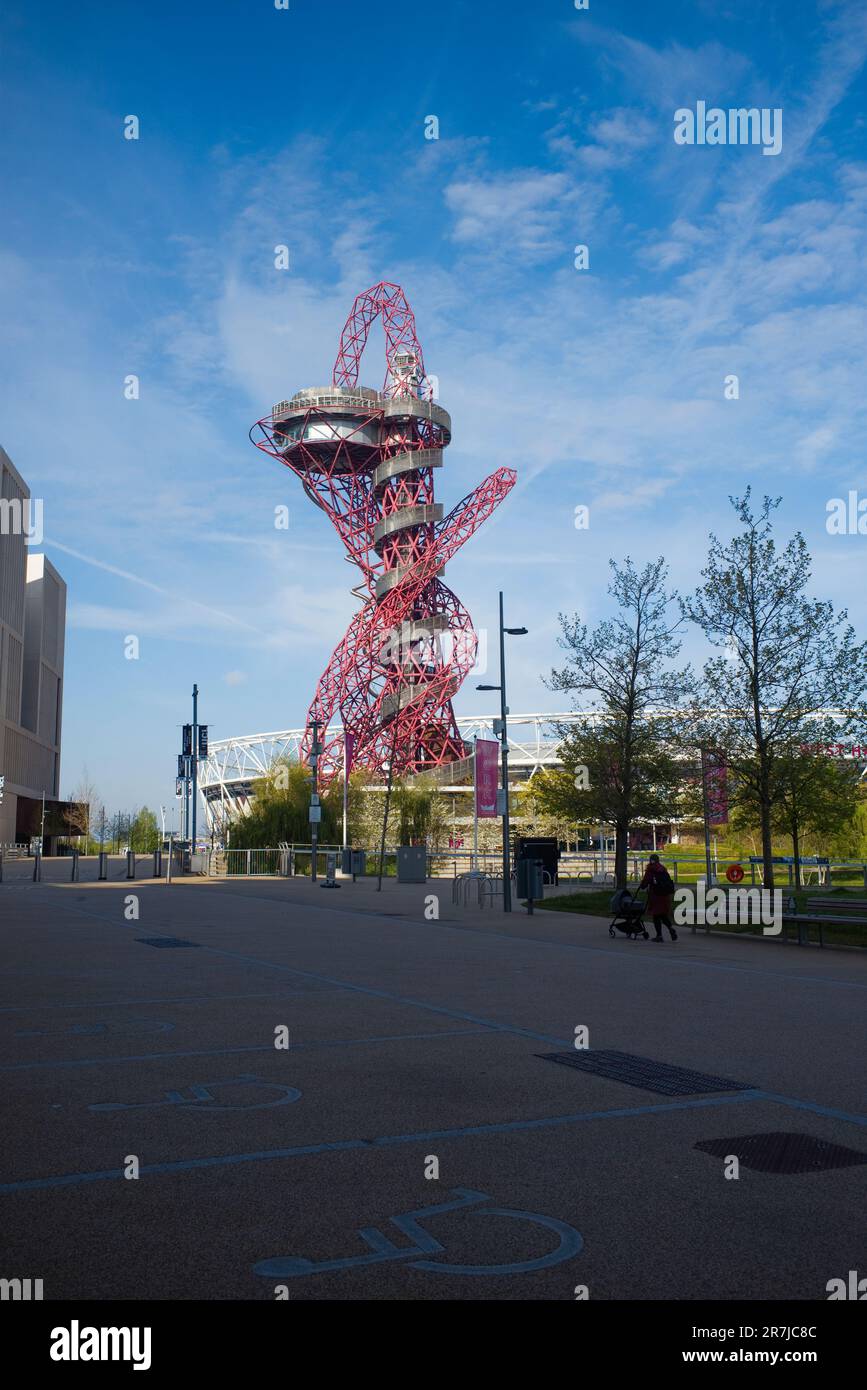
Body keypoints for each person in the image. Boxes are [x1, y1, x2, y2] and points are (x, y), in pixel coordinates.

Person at [639, 853, 678, 941]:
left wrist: (642, 886)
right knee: (663, 915)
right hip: (665, 895)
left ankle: (659, 936)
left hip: (655, 895)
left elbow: (645, 882)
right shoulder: (663, 869)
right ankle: (671, 928)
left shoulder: (651, 869)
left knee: (656, 916)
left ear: (651, 860)